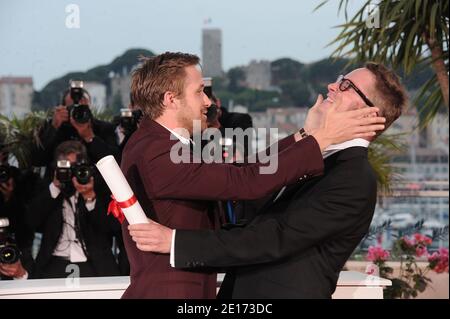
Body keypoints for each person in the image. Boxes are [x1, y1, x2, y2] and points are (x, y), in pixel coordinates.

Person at [128, 62, 407, 299]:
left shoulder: (354, 178)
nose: (332, 87)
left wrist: (177, 242)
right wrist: (307, 134)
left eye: (346, 86)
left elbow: (272, 238)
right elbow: (247, 185)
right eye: (338, 81)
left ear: (370, 113)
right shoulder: (315, 158)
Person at [26, 141, 121, 278]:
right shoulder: (46, 188)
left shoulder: (98, 186)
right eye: (66, 167)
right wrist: (55, 188)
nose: (70, 173)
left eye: (75, 167)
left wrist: (89, 196)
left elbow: (110, 227)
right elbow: (30, 221)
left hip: (94, 262)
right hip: (54, 261)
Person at [0, 149, 37, 280]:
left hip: (15, 246)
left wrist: (9, 196)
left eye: (3, 161)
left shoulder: (17, 178)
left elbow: (26, 222)